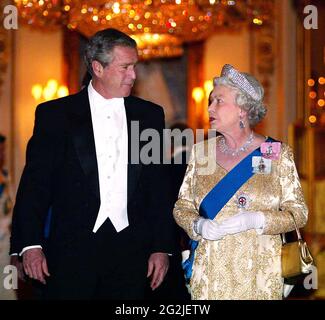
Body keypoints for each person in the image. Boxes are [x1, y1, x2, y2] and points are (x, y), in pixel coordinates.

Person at [10, 28, 175, 299]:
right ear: (98, 67)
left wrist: (161, 247)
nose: (133, 75)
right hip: (70, 253)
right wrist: (30, 244)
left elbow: (158, 187)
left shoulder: (150, 116)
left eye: (134, 66)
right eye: (125, 67)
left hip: (132, 254)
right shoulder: (55, 115)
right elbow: (35, 186)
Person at [173, 64, 308, 300]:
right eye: (210, 101)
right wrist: (198, 226)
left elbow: (299, 213)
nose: (210, 108)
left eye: (219, 101)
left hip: (261, 273)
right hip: (210, 272)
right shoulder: (201, 153)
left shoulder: (274, 152)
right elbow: (181, 207)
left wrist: (257, 219)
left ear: (242, 110)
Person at [0, 134, 16, 300]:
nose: (2, 156)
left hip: (6, 246)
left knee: (9, 288)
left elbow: (11, 207)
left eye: (3, 151)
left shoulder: (5, 175)